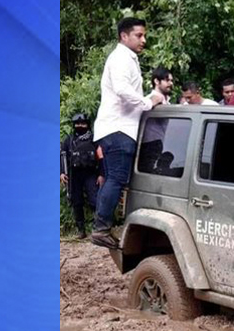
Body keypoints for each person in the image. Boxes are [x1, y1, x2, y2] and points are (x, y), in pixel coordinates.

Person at [91, 17, 165, 248]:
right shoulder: (121, 58)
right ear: (124, 36)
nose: (143, 40)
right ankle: (101, 228)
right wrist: (148, 101)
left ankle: (103, 226)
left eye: (144, 35)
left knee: (116, 178)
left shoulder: (127, 58)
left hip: (120, 128)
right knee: (116, 178)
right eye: (139, 35)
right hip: (118, 128)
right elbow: (123, 90)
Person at [61, 114, 103, 239]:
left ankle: (98, 228)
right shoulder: (68, 140)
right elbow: (62, 157)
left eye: (83, 123)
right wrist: (62, 173)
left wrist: (101, 174)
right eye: (78, 124)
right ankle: (81, 230)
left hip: (90, 173)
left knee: (95, 200)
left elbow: (101, 158)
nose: (80, 126)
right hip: (74, 175)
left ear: (87, 124)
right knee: (76, 202)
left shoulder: (94, 140)